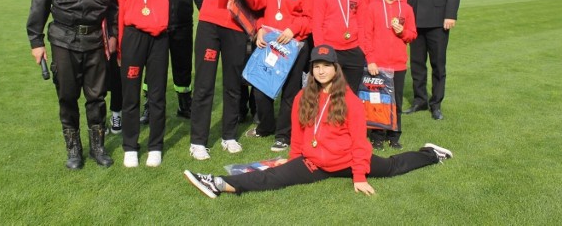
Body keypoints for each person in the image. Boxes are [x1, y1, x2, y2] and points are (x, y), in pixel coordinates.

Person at [183, 45, 453, 198]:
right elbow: (299, 133)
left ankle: (431, 154)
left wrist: (359, 176)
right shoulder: (303, 96)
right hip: (313, 163)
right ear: (311, 69)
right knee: (272, 177)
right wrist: (294, 159)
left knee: (393, 166)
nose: (321, 69)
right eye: (317, 65)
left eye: (327, 64)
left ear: (336, 68)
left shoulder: (350, 102)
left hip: (347, 161)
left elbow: (360, 144)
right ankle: (217, 183)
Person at [115, 0, 202, 168]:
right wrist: (119, 47)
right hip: (132, 38)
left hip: (158, 39)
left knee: (156, 94)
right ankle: (130, 145)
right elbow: (119, 11)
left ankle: (155, 146)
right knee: (130, 94)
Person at [26, 0, 117, 169]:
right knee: (67, 96)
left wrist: (113, 35)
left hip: (96, 41)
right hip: (64, 39)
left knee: (97, 97)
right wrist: (36, 41)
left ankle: (98, 148)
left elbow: (113, 6)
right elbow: (39, 2)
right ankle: (74, 150)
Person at [189, 0, 267, 160]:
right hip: (210, 26)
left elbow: (260, 2)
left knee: (234, 84)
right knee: (204, 84)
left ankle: (229, 136)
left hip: (236, 28)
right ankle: (198, 141)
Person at [244, 0, 316, 152]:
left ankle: (284, 135)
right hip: (269, 42)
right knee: (260, 87)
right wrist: (259, 28)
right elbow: (256, 6)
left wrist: (293, 28)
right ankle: (266, 126)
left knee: (290, 90)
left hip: (294, 44)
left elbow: (311, 18)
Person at [139, 0, 206, 125]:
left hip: (182, 25)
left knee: (183, 68)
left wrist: (206, 17)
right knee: (153, 70)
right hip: (156, 27)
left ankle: (185, 105)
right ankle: (150, 107)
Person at [363, 0, 417, 149]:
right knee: (378, 102)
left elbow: (413, 35)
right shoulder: (373, 7)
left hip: (398, 64)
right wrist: (370, 60)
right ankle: (377, 136)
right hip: (378, 64)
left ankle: (394, 135)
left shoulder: (407, 9)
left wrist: (403, 33)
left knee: (396, 102)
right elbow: (366, 36)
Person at [312, 0, 366, 94]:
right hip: (331, 50)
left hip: (354, 50)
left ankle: (349, 115)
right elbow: (317, 25)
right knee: (330, 90)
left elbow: (362, 24)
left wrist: (362, 49)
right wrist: (322, 51)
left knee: (352, 91)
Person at [94, 0, 123, 134]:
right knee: (97, 79)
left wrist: (114, 33)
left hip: (117, 29)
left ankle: (117, 117)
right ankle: (99, 119)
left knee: (118, 75)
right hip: (95, 32)